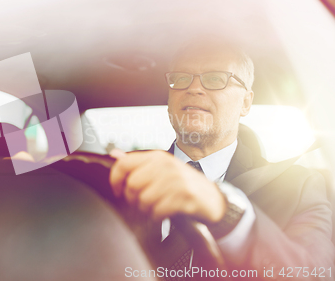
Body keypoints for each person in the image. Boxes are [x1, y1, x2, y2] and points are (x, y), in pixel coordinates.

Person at [109, 38, 334, 280]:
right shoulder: (118, 176)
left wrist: (228, 214)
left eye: (216, 79)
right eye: (181, 78)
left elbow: (315, 274)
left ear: (246, 102)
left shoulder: (298, 187)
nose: (193, 88)